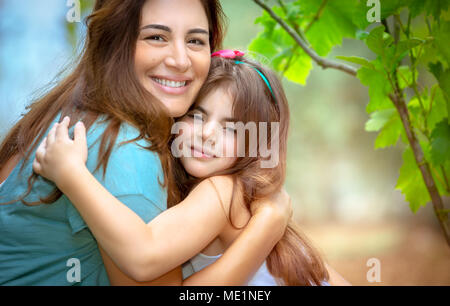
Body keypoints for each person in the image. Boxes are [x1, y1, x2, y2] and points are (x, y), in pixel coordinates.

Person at [0, 0, 291, 286]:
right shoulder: (125, 148)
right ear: (116, 42)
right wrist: (266, 228)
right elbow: (144, 257)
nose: (179, 60)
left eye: (195, 40)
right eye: (156, 37)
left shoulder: (71, 113)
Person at [33, 52, 350, 285]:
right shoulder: (239, 199)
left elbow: (144, 257)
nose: (207, 133)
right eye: (197, 116)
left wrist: (71, 175)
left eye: (231, 129)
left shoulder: (223, 191)